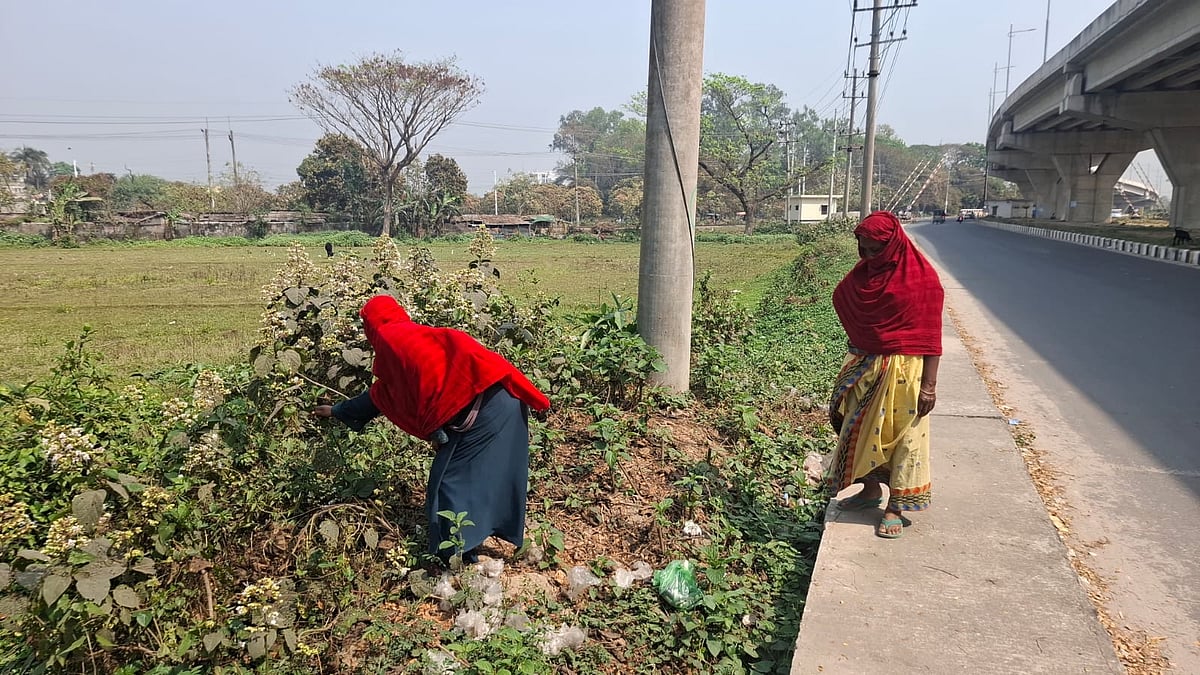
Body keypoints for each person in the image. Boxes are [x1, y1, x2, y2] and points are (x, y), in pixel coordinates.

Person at [313, 295, 550, 561]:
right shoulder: (417, 337)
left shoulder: (390, 337)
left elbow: (397, 391)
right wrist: (338, 410)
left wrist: (436, 428)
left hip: (483, 409)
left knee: (448, 483)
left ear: (371, 324)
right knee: (491, 475)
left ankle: (455, 557)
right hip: (504, 399)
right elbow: (388, 392)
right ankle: (482, 540)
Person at [827, 211, 944, 539]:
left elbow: (932, 337)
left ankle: (895, 507)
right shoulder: (863, 275)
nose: (868, 256)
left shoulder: (922, 280)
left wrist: (929, 386)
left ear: (892, 245)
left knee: (902, 439)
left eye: (875, 249)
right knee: (857, 431)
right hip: (865, 365)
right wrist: (865, 336)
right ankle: (869, 489)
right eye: (863, 248)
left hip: (904, 374)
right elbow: (842, 296)